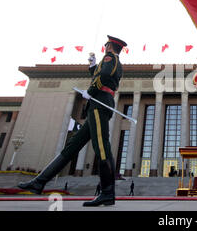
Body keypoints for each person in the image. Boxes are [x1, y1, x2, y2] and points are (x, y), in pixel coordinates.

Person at [18, 35, 127, 207]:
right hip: (97, 106)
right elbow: (100, 74)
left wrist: (90, 91)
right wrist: (93, 66)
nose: (104, 47)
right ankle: (39, 182)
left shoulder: (110, 58)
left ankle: (107, 193)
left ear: (110, 46)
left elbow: (104, 76)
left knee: (102, 147)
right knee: (71, 147)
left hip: (99, 105)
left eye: (105, 44)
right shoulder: (111, 61)